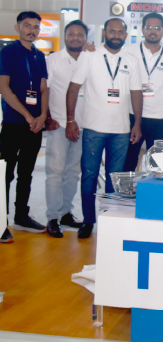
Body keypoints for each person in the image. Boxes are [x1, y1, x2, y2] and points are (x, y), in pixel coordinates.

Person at [66, 18, 142, 238]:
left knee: (114, 178)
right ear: (105, 33)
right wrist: (71, 120)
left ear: (125, 35)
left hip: (121, 130)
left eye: (120, 32)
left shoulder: (131, 60)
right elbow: (73, 88)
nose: (116, 35)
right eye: (112, 31)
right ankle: (88, 221)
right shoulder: (89, 55)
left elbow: (136, 93)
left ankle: (109, 221)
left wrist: (137, 123)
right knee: (89, 176)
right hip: (93, 129)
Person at [0, 11, 48, 243]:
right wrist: (28, 116)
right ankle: (1, 222)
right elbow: (4, 88)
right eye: (27, 25)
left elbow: (43, 89)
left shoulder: (39, 56)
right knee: (5, 174)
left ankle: (21, 216)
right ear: (17, 27)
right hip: (13, 123)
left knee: (26, 173)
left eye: (36, 27)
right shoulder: (8, 52)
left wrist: (43, 116)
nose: (32, 30)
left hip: (34, 126)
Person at [44, 20, 89, 238]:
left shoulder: (91, 58)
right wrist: (48, 117)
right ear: (65, 36)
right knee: (55, 172)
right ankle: (52, 217)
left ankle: (65, 213)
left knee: (73, 173)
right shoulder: (53, 60)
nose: (75, 38)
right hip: (59, 124)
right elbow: (45, 90)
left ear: (86, 38)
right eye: (71, 34)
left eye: (80, 35)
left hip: (84, 126)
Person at [123, 12, 163, 172]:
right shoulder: (128, 51)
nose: (153, 31)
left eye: (157, 28)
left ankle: (155, 189)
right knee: (128, 161)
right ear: (143, 30)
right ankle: (127, 189)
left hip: (160, 118)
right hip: (132, 114)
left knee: (159, 166)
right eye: (149, 27)